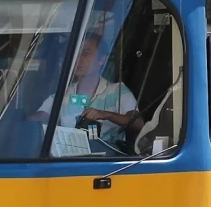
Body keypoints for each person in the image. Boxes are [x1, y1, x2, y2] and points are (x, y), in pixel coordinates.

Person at [38, 24, 140, 155]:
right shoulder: (62, 95)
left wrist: (107, 115)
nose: (78, 60)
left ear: (102, 59)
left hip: (107, 165)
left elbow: (138, 123)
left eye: (85, 53)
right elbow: (41, 117)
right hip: (67, 164)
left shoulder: (117, 91)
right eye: (76, 54)